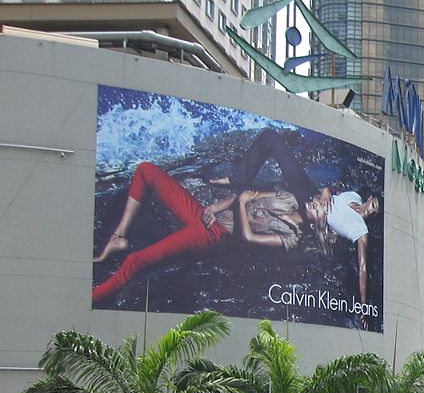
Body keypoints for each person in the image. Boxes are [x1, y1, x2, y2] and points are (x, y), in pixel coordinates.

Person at [93, 128, 380, 323]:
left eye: (319, 206)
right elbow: (243, 196)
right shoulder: (293, 198)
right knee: (146, 171)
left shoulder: (291, 236)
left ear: (322, 226)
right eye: (318, 200)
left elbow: (246, 239)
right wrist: (213, 206)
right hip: (205, 218)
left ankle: (88, 302)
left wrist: (242, 206)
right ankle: (119, 235)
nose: (317, 200)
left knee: (135, 262)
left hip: (214, 236)